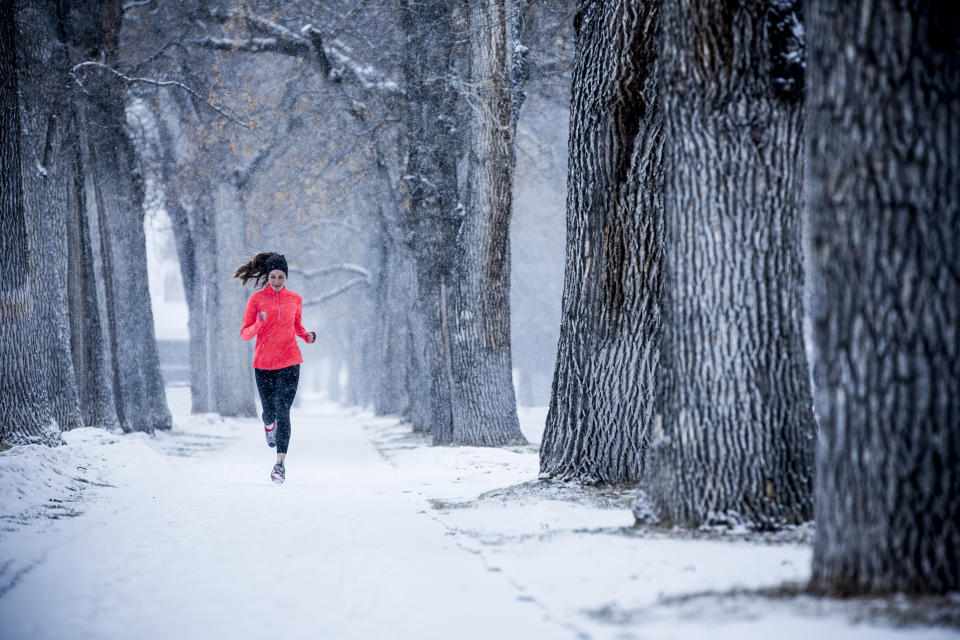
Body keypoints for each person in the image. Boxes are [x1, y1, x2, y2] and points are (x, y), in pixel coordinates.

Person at [235, 252, 316, 484]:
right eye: (273, 276)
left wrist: (307, 336)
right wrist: (259, 323)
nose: (277, 281)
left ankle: (280, 465)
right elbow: (244, 333)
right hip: (264, 364)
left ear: (286, 277)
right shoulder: (257, 300)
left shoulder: (295, 299)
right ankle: (268, 424)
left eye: (281, 276)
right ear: (268, 276)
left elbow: (297, 325)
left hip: (290, 362)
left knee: (283, 411)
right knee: (270, 412)